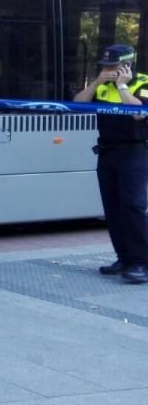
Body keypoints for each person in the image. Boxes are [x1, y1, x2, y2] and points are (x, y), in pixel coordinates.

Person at [74, 43, 148, 284]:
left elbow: (139, 113)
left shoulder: (143, 82)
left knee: (133, 207)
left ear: (127, 65)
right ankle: (124, 258)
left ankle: (141, 262)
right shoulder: (102, 85)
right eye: (104, 66)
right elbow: (78, 103)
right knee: (113, 208)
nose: (107, 69)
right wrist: (95, 83)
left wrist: (123, 86)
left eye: (112, 65)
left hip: (133, 153)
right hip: (107, 152)